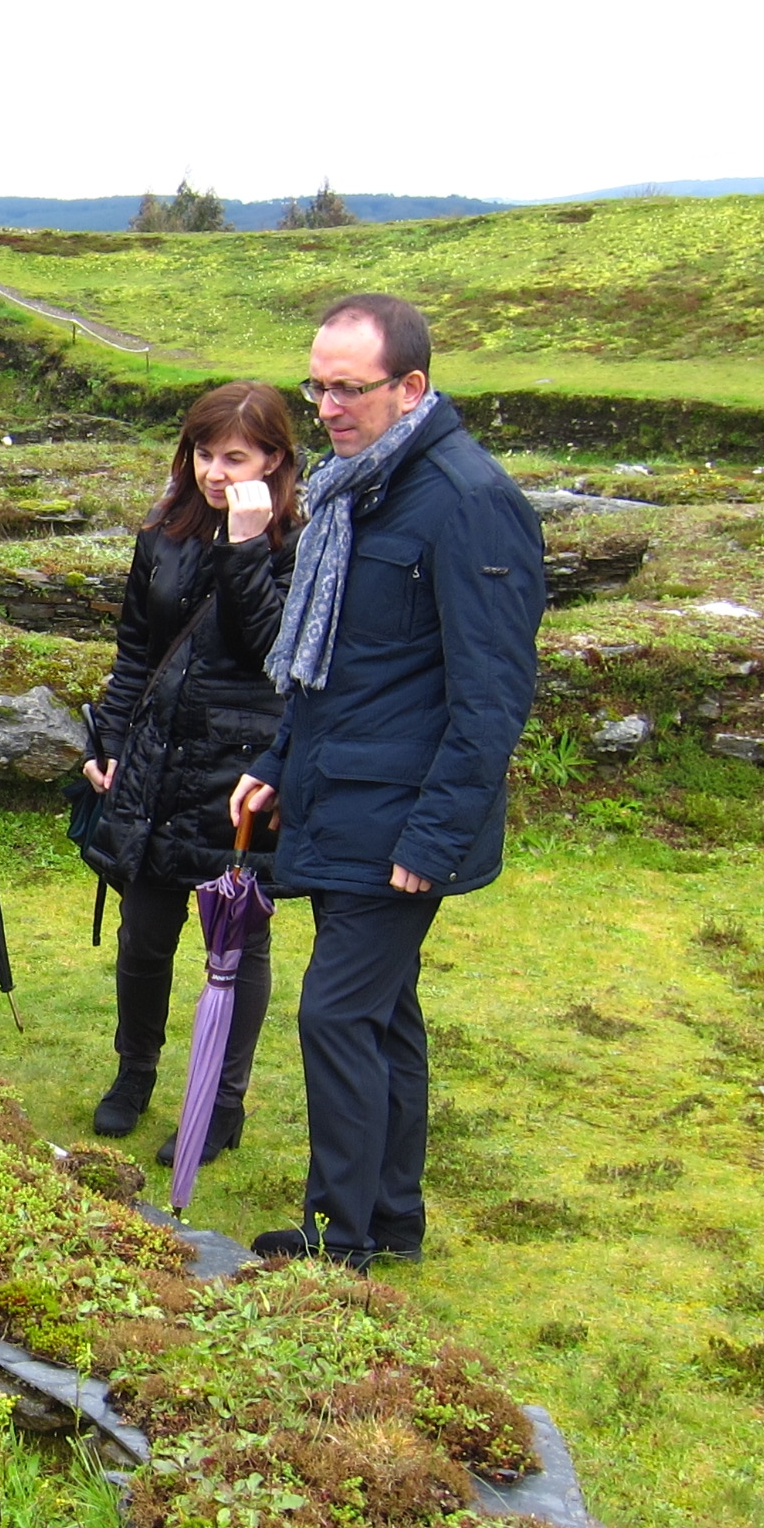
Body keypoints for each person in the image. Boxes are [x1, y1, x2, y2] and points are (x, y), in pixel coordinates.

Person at [229, 294, 545, 1267]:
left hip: (399, 818)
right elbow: (342, 667)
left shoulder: (464, 499)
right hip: (342, 793)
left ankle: (338, 1235)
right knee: (380, 1011)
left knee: (334, 1011)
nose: (323, 405)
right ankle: (391, 1218)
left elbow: (490, 694)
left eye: (346, 387)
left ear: (409, 387)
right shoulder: (353, 488)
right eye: (314, 384)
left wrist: (432, 838)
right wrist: (277, 765)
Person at [81, 380, 304, 1164]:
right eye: (203, 453)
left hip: (241, 773)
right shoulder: (165, 533)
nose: (213, 470)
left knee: (236, 942)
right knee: (144, 934)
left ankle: (221, 1100)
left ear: (274, 458)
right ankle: (134, 1071)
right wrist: (109, 743)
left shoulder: (300, 544)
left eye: (234, 456)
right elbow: (137, 650)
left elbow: (277, 650)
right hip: (157, 761)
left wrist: (246, 545)